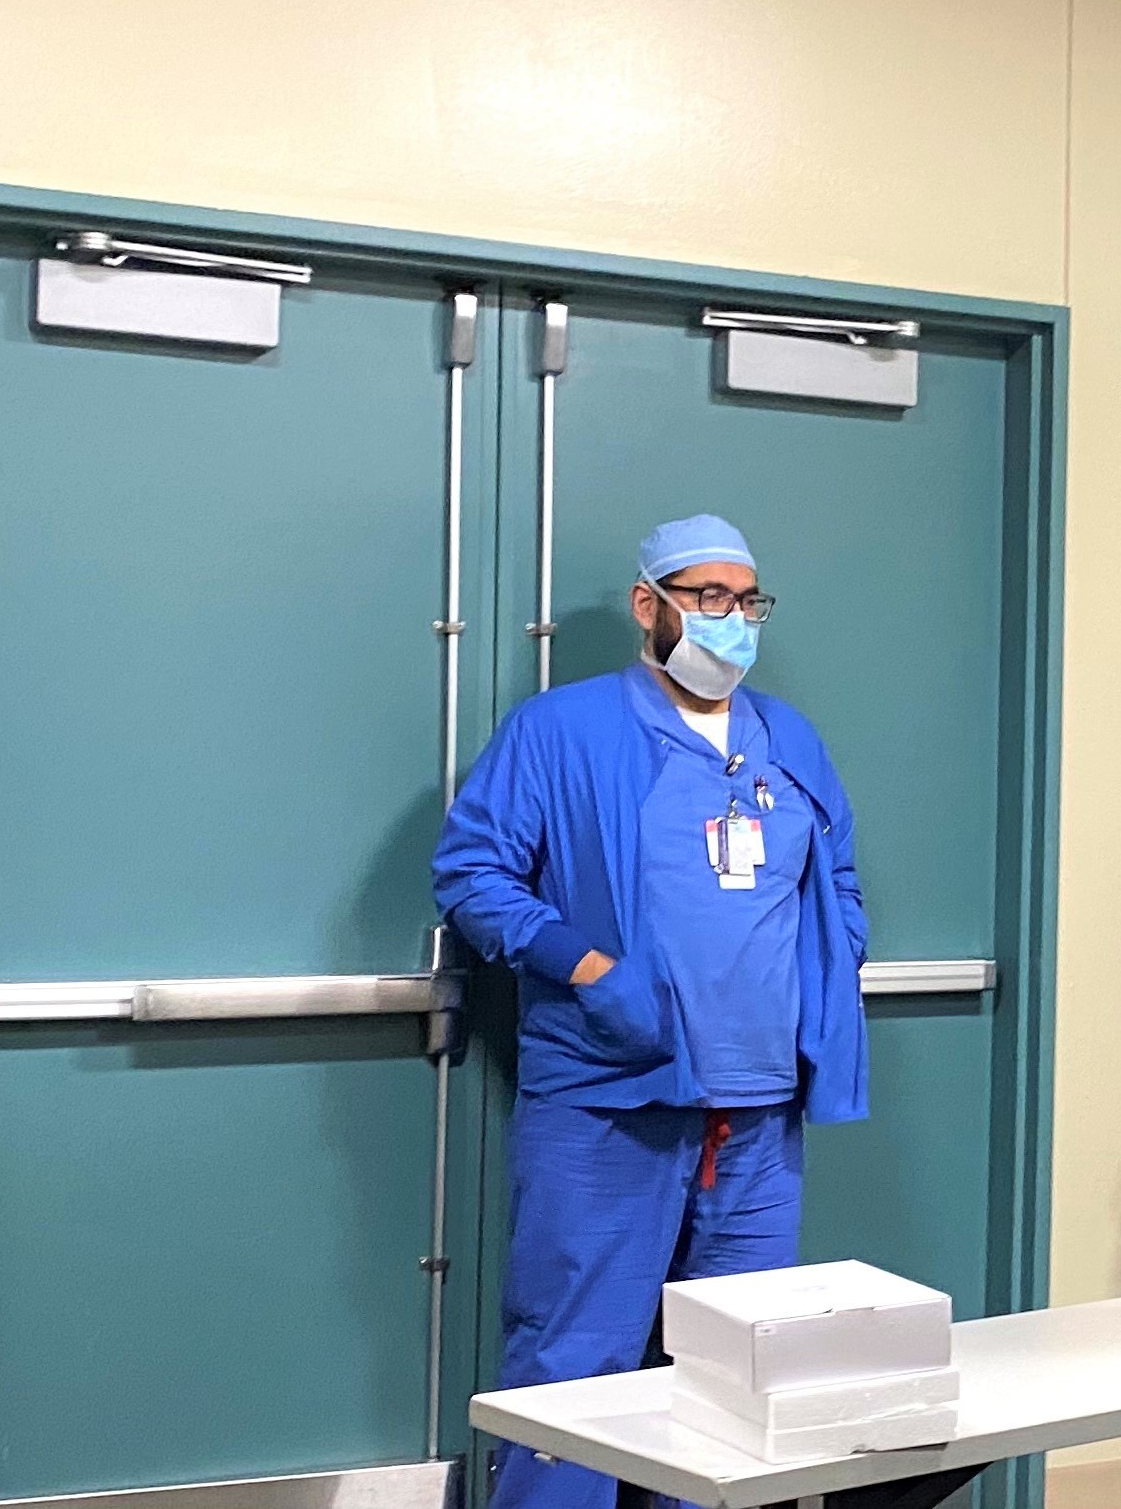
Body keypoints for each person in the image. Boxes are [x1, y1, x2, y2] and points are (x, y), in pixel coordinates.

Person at [434, 514, 868, 1509]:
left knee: (737, 1377)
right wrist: (588, 968)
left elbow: (835, 877)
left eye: (746, 599)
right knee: (572, 1367)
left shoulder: (787, 738)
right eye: (708, 596)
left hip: (758, 1112)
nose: (731, 620)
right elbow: (470, 873)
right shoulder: (562, 731)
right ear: (650, 604)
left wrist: (822, 987)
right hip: (607, 1100)